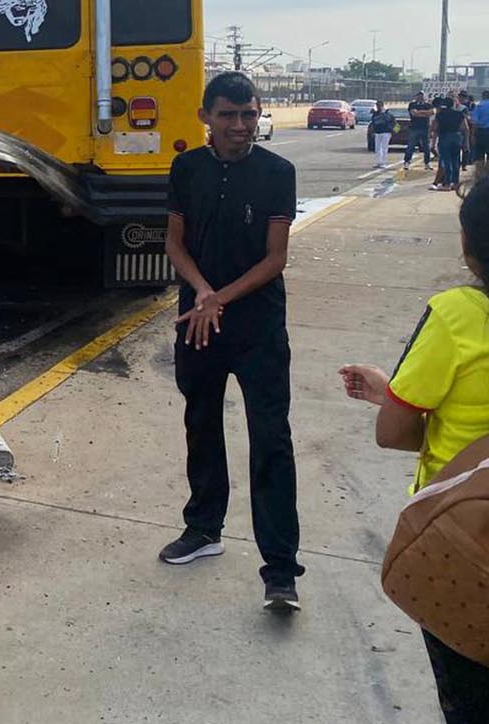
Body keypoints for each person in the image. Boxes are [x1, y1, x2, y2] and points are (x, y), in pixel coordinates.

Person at [339, 166, 489, 722]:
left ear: (473, 245)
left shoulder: (457, 314)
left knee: (477, 700)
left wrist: (393, 399)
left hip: (479, 546)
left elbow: (395, 433)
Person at [158, 71, 304, 612]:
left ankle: (282, 571)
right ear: (205, 118)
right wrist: (201, 292)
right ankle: (203, 528)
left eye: (248, 115)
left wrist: (219, 298)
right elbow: (174, 243)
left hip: (257, 328)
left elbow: (275, 259)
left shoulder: (277, 173)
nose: (240, 126)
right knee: (201, 422)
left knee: (270, 441)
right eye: (228, 115)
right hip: (197, 321)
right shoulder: (186, 168)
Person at [430, 94, 467, 191]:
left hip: (444, 137)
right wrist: (466, 142)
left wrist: (432, 142)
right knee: (456, 161)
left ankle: (447, 183)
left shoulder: (440, 114)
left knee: (446, 161)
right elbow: (465, 128)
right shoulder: (459, 114)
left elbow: (435, 128)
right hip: (456, 136)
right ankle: (455, 183)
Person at [405, 90, 434, 170]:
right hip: (414, 128)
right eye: (419, 95)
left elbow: (431, 113)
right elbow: (414, 113)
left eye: (422, 95)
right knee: (411, 146)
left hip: (425, 128)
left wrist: (419, 112)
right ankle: (407, 162)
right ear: (416, 96)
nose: (420, 97)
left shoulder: (428, 105)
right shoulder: (412, 104)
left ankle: (427, 163)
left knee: (426, 147)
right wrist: (424, 113)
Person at [370, 99, 396, 169]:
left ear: (382, 106)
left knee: (384, 148)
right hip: (378, 132)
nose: (378, 107)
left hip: (386, 132)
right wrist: (373, 132)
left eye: (380, 105)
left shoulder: (388, 114)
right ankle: (378, 162)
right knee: (377, 148)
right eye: (377, 105)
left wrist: (394, 131)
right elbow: (373, 123)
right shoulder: (375, 114)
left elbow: (394, 123)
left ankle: (383, 163)